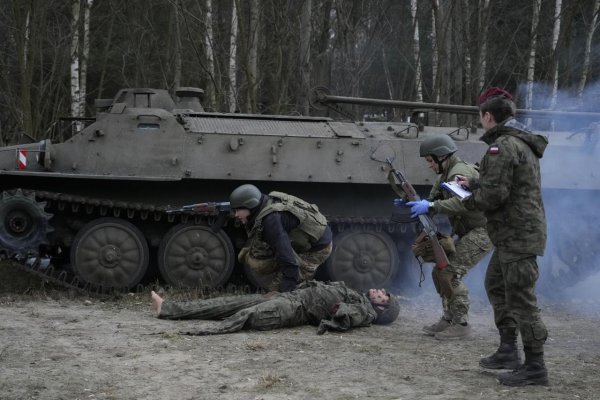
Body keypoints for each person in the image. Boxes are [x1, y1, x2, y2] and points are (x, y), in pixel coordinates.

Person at [456, 87, 549, 386]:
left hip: (517, 235)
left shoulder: (503, 146)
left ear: (487, 116)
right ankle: (508, 350)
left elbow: (494, 196)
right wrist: (473, 181)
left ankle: (535, 367)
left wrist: (465, 199)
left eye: (480, 116)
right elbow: (502, 182)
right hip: (513, 234)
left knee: (522, 300)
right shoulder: (516, 144)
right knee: (496, 284)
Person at [394, 135, 493, 340]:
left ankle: (461, 323)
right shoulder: (445, 175)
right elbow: (432, 201)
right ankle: (448, 318)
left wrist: (431, 206)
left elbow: (463, 203)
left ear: (441, 156)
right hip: (468, 230)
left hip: (484, 230)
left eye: (430, 161)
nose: (429, 165)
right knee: (439, 271)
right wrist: (411, 202)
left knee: (450, 272)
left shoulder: (459, 173)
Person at [150, 280, 400, 335]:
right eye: (382, 291)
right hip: (290, 297)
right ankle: (169, 309)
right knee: (229, 303)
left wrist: (340, 311)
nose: (379, 291)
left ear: (382, 309)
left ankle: (194, 332)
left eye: (384, 296)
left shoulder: (365, 310)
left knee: (244, 315)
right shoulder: (360, 296)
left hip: (294, 309)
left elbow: (349, 315)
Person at [229, 184, 333, 292]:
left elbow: (289, 261)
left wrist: (284, 291)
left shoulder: (271, 223)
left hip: (318, 248)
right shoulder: (264, 203)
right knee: (259, 259)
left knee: (278, 291)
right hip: (299, 239)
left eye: (237, 210)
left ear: (250, 205)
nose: (235, 215)